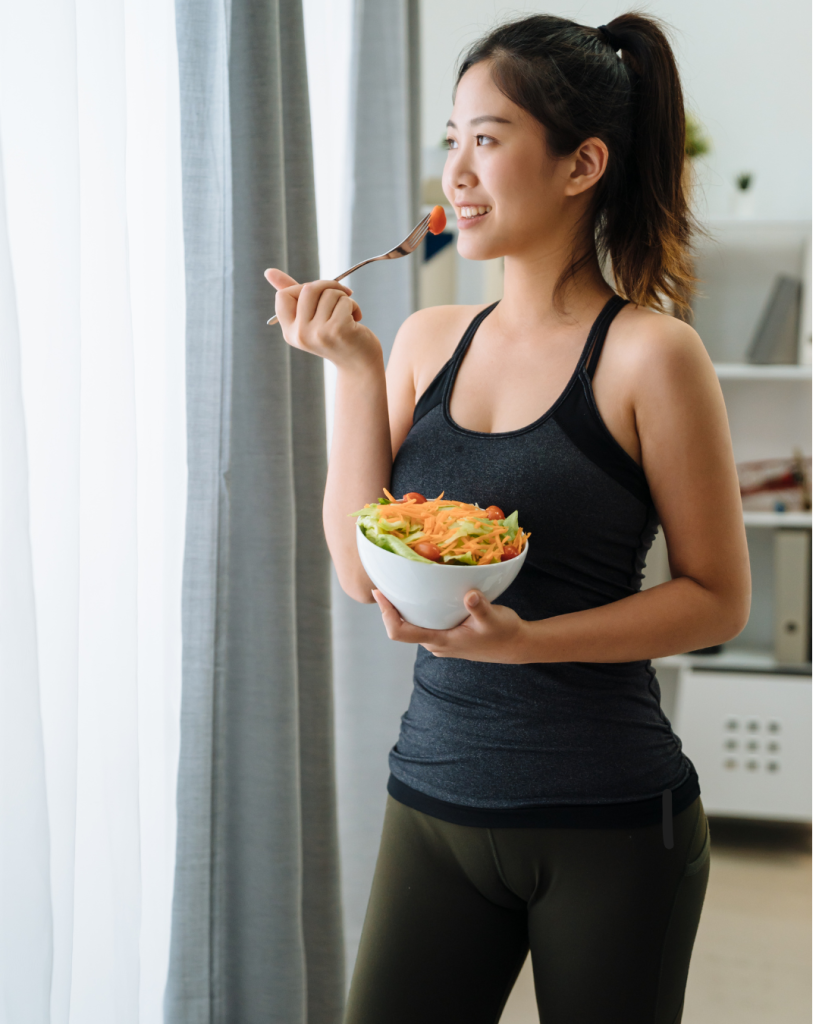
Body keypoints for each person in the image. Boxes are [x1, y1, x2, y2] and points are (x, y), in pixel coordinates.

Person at [265, 12, 751, 1023]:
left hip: (610, 817)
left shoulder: (652, 355)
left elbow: (716, 600)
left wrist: (528, 642)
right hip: (431, 802)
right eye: (452, 139)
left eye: (486, 139)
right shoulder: (422, 340)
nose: (456, 172)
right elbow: (360, 570)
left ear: (582, 165)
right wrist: (353, 371)